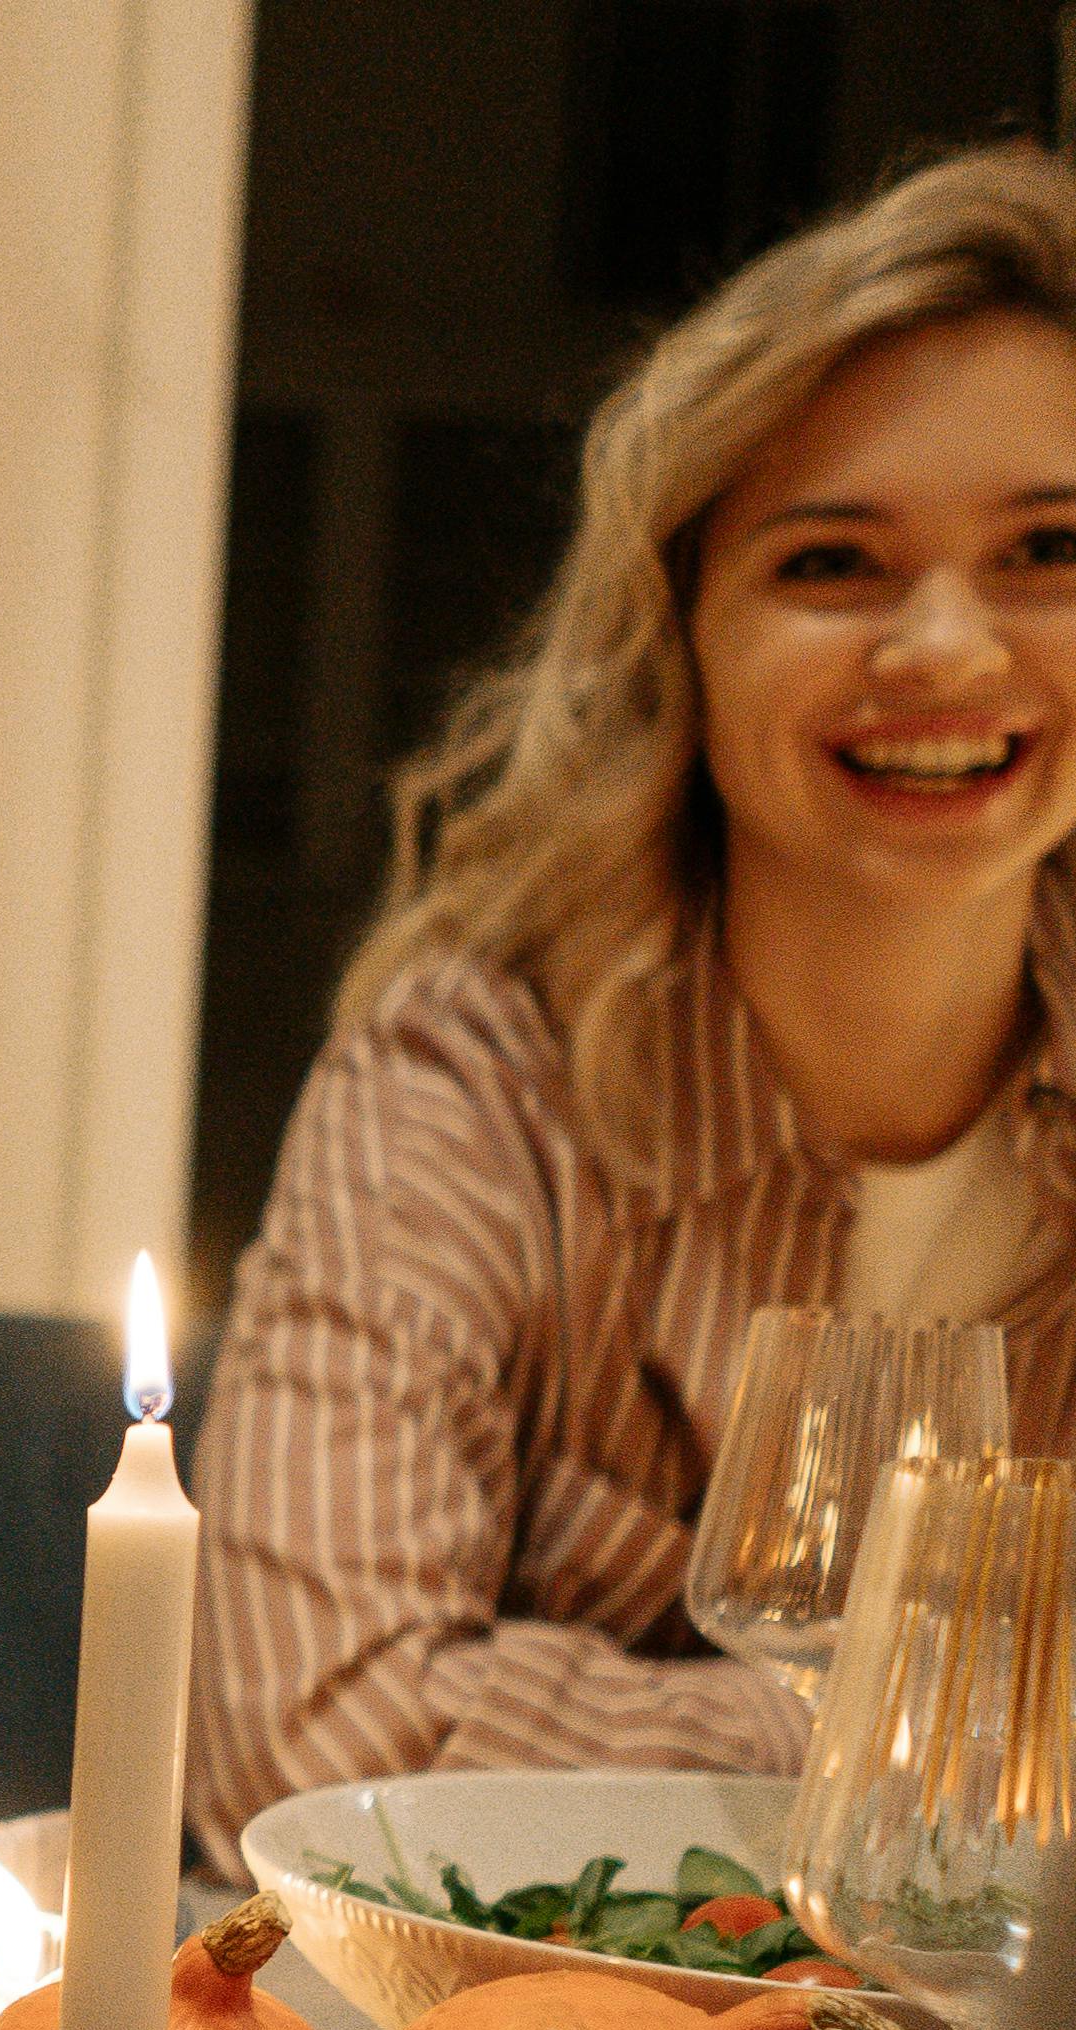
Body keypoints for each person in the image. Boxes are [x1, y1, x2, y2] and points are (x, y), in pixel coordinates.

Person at [189, 144, 1076, 1868]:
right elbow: (306, 1743)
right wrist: (925, 1718)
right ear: (678, 633)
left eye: (1048, 547)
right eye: (832, 563)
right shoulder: (466, 1084)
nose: (946, 649)